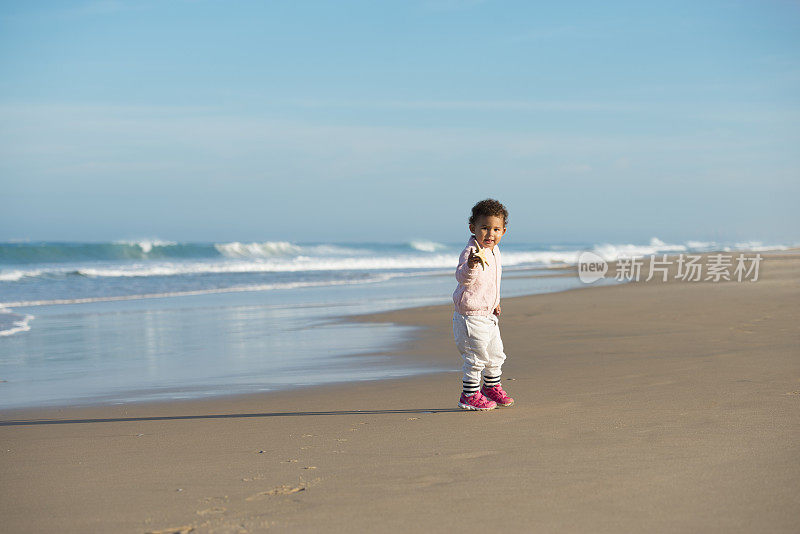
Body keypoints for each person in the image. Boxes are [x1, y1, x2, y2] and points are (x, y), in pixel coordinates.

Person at [452, 199, 515, 411]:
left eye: (496, 229)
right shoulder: (471, 252)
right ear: (473, 228)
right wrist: (470, 266)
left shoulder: (495, 251)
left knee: (496, 354)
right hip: (470, 315)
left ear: (504, 231)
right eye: (485, 228)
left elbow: (492, 280)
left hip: (488, 314)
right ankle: (469, 395)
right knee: (476, 357)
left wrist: (495, 302)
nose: (490, 234)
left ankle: (491, 387)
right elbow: (463, 278)